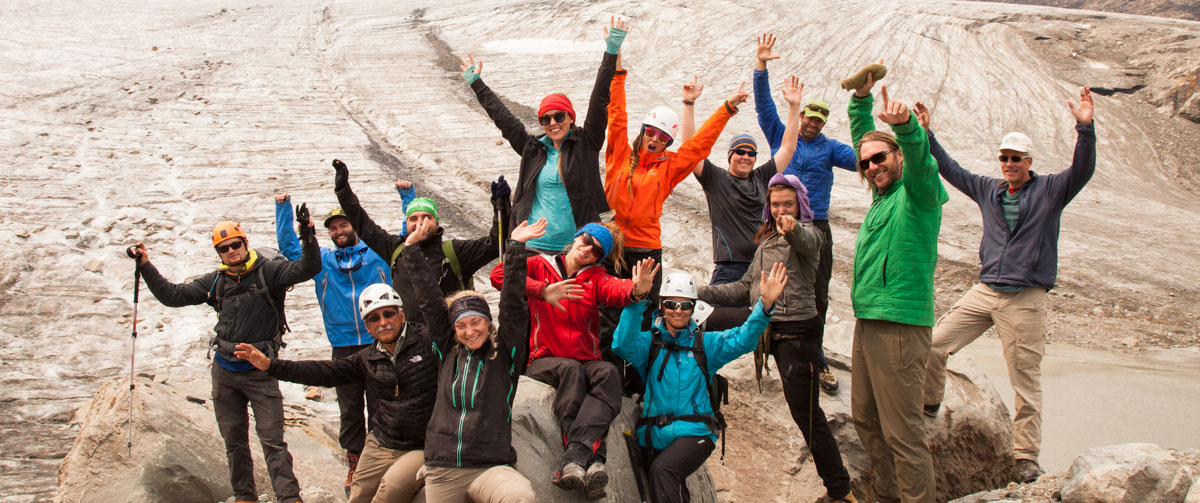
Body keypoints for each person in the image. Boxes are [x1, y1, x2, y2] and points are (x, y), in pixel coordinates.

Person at [917, 87, 1097, 484]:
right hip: (986, 290)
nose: (1009, 164)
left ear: (1028, 161)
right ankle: (930, 405)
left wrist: (1085, 129)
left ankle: (1025, 457)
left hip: (1025, 297)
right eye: (1004, 158)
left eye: (1016, 158)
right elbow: (951, 169)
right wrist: (927, 135)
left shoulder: (1050, 190)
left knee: (1025, 380)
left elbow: (1082, 170)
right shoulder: (989, 190)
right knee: (934, 344)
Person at [131, 215, 322, 503]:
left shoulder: (269, 272)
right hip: (225, 371)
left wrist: (307, 235)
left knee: (273, 442)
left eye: (235, 245)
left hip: (261, 371)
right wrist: (145, 265)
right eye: (224, 248)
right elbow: (172, 296)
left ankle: (289, 498)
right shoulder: (216, 282)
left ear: (245, 243)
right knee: (234, 443)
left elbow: (310, 267)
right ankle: (245, 497)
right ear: (219, 252)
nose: (231, 251)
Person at [697, 174, 856, 503]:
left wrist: (792, 227)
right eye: (776, 204)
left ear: (800, 204)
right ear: (768, 207)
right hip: (762, 322)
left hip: (794, 333)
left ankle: (841, 491)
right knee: (694, 320)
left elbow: (807, 241)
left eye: (788, 204)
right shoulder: (767, 239)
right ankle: (699, 410)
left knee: (806, 414)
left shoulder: (810, 233)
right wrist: (694, 292)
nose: (782, 209)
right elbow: (743, 287)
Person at [489, 221, 657, 497]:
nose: (588, 250)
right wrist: (542, 291)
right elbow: (500, 275)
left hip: (585, 358)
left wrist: (637, 290)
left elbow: (615, 289)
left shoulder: (595, 278)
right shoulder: (539, 264)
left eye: (596, 251)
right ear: (578, 236)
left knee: (607, 373)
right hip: (544, 357)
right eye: (588, 240)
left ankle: (576, 459)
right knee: (571, 371)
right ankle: (591, 458)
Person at [233, 283, 437, 503]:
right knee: (358, 495)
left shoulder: (427, 341)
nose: (383, 322)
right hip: (384, 440)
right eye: (374, 319)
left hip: (423, 444)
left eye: (389, 314)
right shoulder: (368, 358)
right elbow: (324, 372)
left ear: (402, 315)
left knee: (389, 490)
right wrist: (271, 366)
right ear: (367, 327)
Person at [846, 73, 948, 503]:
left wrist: (908, 130)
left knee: (904, 434)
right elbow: (862, 140)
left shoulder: (919, 194)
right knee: (867, 422)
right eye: (866, 162)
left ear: (898, 155)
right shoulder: (882, 198)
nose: (873, 166)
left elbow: (923, 164)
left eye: (880, 157)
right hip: (868, 321)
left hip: (901, 325)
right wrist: (861, 101)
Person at [612, 267, 787, 503]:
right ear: (662, 305)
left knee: (663, 470)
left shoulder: (706, 345)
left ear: (693, 308)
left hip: (696, 433)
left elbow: (743, 340)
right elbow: (622, 345)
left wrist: (763, 308)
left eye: (685, 305)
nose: (678, 311)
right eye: (672, 304)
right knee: (669, 483)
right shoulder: (649, 344)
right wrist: (636, 299)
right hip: (654, 435)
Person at [460, 17, 628, 254]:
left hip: (576, 249)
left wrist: (611, 52)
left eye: (559, 116)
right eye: (545, 119)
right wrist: (477, 84)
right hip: (533, 247)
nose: (552, 123)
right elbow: (504, 120)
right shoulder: (532, 148)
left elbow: (600, 99)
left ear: (571, 117)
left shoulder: (587, 144)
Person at [407, 215, 544, 503]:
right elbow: (430, 302)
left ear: (488, 322)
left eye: (476, 322)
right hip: (444, 468)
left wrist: (516, 249)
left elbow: (513, 306)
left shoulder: (505, 355)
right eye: (461, 325)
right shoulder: (446, 353)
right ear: (453, 329)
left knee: (521, 498)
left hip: (490, 467)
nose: (470, 331)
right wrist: (411, 250)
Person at [754, 33, 859, 395]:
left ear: (824, 123)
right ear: (801, 117)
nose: (812, 123)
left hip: (816, 227)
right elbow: (764, 106)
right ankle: (769, 342)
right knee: (768, 284)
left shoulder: (831, 149)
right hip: (775, 223)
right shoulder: (783, 135)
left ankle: (817, 359)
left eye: (818, 119)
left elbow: (864, 157)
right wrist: (762, 66)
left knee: (818, 293)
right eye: (808, 117)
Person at [274, 194, 391, 495]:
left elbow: (408, 236)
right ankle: (355, 462)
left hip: (378, 340)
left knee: (382, 403)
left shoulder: (377, 252)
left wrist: (407, 195)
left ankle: (381, 461)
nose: (339, 231)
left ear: (355, 225)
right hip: (342, 344)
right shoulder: (323, 260)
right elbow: (290, 250)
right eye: (333, 228)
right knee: (350, 408)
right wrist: (283, 210)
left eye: (344, 224)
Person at [680, 72, 803, 330]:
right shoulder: (715, 179)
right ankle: (707, 369)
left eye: (751, 153)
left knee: (759, 328)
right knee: (709, 325)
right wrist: (689, 104)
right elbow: (689, 149)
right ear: (730, 155)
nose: (746, 156)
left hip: (761, 266)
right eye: (740, 151)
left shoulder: (762, 177)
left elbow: (788, 148)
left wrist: (794, 107)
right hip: (729, 268)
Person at [332, 159, 510, 326]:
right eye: (413, 218)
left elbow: (496, 243)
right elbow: (363, 225)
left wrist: (501, 206)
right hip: (409, 337)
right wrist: (343, 190)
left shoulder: (454, 252)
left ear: (437, 222)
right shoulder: (395, 248)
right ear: (406, 223)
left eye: (427, 217)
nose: (420, 223)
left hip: (448, 340)